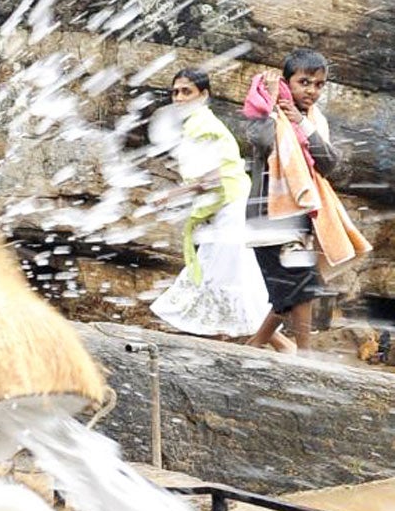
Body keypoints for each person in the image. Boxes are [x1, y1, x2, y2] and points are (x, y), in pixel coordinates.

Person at [243, 49, 369, 352]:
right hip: (268, 215)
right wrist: (272, 104)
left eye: (318, 84)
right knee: (302, 284)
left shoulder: (313, 121)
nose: (311, 90)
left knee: (296, 287)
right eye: (304, 82)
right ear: (288, 82)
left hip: (298, 218)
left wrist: (300, 121)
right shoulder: (265, 115)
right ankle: (305, 354)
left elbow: (329, 164)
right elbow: (259, 142)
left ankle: (255, 345)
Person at [147, 68, 270, 341]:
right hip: (228, 207)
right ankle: (236, 337)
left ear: (203, 95)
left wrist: (170, 195)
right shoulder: (195, 124)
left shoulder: (204, 127)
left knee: (221, 275)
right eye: (175, 92)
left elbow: (211, 180)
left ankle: (245, 339)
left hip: (232, 207)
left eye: (186, 91)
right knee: (232, 274)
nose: (179, 98)